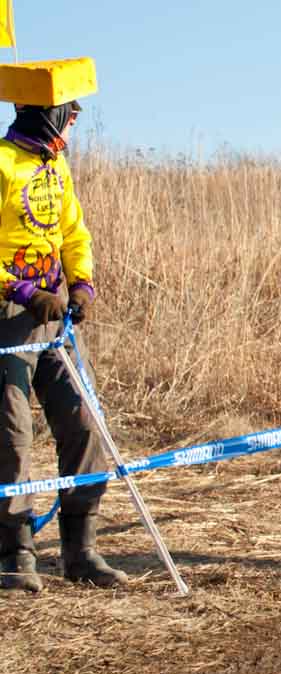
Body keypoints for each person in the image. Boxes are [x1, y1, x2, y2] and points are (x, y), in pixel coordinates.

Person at [0, 97, 125, 592]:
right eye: (70, 119)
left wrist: (82, 284)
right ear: (48, 115)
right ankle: (14, 553)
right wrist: (25, 292)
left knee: (85, 420)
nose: (74, 128)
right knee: (11, 433)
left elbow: (73, 232)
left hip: (58, 317)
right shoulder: (4, 163)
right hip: (10, 316)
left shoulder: (57, 167)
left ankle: (81, 551)